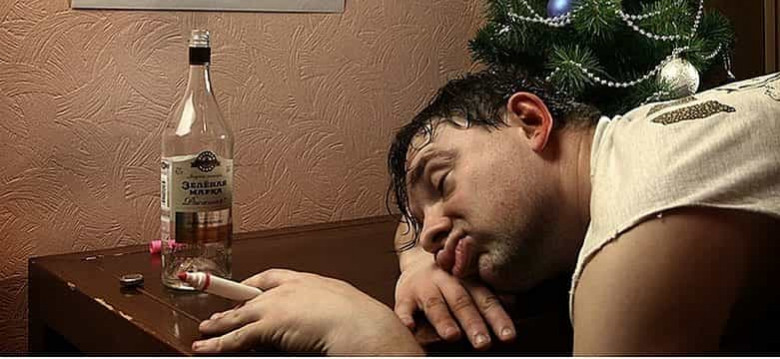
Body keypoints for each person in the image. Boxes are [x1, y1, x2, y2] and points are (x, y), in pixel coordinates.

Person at [191, 68, 780, 355]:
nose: (431, 232)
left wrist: (370, 337)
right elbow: (412, 231)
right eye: (422, 221)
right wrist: (416, 260)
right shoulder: (640, 144)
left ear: (529, 121)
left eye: (441, 180)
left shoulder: (643, 219)